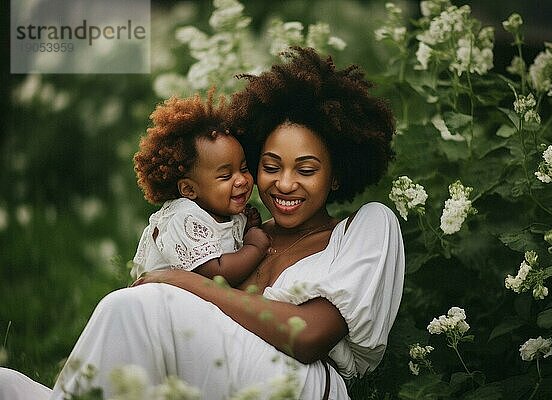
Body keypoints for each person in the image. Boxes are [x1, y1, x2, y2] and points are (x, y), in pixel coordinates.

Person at [0, 46, 405, 400]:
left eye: (307, 169)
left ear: (335, 176)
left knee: (131, 307)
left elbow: (309, 337)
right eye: (270, 166)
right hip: (214, 373)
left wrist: (183, 282)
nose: (285, 183)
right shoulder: (241, 232)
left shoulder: (362, 228)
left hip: (299, 385)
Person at [130, 90, 270, 286]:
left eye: (244, 168)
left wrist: (248, 228)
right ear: (189, 190)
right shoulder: (184, 218)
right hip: (161, 305)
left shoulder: (225, 212)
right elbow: (217, 274)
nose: (241, 180)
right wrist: (254, 246)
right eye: (226, 176)